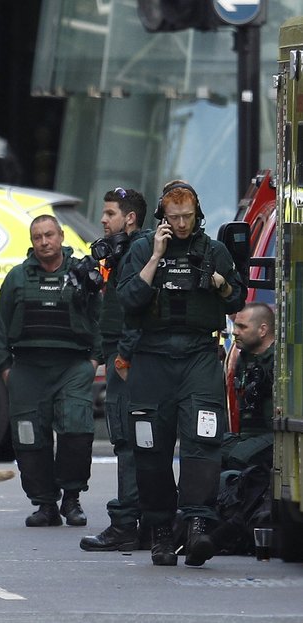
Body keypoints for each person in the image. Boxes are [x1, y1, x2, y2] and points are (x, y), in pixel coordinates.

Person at [116, 180, 246, 567]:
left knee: (202, 442)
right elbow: (128, 301)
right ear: (162, 219)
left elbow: (237, 299)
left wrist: (220, 284)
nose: (183, 224)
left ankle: (196, 527)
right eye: (175, 218)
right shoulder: (142, 248)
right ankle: (159, 530)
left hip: (199, 357)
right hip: (152, 358)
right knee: (150, 448)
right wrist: (156, 257)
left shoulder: (214, 251)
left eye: (188, 217)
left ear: (198, 215)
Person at [0, 215, 102, 528]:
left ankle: (72, 498)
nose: (44, 242)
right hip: (27, 368)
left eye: (49, 235)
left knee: (77, 432)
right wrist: (6, 370)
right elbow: (0, 329)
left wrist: (93, 362)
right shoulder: (16, 278)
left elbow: (101, 319)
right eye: (38, 237)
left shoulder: (82, 273)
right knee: (29, 438)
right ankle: (45, 504)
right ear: (32, 241)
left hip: (72, 367)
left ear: (61, 236)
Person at [80, 187, 150, 552]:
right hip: (122, 356)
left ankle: (125, 524)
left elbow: (136, 309)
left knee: (125, 439)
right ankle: (150, 524)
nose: (103, 220)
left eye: (109, 214)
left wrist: (122, 356)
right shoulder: (124, 252)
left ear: (130, 218)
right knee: (137, 441)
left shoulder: (136, 251)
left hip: (128, 361)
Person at [223, 302, 274, 471]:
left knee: (239, 457)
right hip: (245, 435)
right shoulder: (242, 358)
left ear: (263, 330)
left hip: (275, 436)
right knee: (203, 453)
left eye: (242, 327)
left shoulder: (280, 361)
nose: (234, 331)